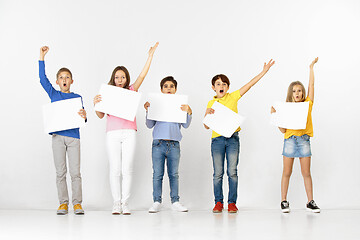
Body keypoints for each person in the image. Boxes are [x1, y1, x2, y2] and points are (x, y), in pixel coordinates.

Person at [94, 42, 159, 215]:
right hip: (112, 133)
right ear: (113, 79)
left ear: (126, 79)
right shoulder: (107, 92)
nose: (120, 80)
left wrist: (150, 57)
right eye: (117, 77)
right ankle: (116, 203)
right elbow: (100, 115)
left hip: (129, 132)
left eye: (122, 77)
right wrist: (96, 104)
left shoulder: (131, 90)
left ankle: (125, 203)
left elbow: (142, 76)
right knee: (115, 168)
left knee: (127, 168)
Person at [204, 59, 275, 213]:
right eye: (218, 84)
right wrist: (206, 114)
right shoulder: (211, 102)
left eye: (224, 84)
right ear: (213, 87)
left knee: (232, 172)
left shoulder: (233, 97)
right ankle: (218, 202)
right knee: (217, 173)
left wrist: (263, 72)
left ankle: (231, 203)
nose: (221, 86)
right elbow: (206, 125)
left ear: (228, 87)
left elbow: (249, 84)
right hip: (217, 140)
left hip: (232, 139)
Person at [39, 46, 87, 215]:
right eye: (61, 77)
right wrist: (42, 57)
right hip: (58, 137)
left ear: (71, 81)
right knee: (60, 172)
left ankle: (77, 204)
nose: (64, 79)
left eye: (67, 77)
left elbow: (83, 117)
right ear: (58, 81)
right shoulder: (54, 94)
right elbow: (42, 79)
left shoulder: (77, 97)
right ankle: (63, 203)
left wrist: (85, 115)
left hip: (74, 138)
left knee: (75, 172)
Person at [271, 57, 320, 213]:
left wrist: (311, 68)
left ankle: (310, 201)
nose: (297, 93)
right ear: (290, 94)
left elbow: (311, 85)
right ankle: (284, 201)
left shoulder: (307, 105)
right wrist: (276, 116)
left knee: (306, 173)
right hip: (290, 141)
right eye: (294, 91)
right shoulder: (286, 108)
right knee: (287, 172)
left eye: (299, 90)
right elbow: (283, 130)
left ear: (303, 92)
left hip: (304, 141)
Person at [144, 76, 192, 213]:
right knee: (157, 174)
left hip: (174, 144)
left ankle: (175, 201)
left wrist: (189, 112)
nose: (169, 88)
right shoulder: (156, 105)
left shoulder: (180, 105)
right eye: (166, 86)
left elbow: (186, 124)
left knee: (174, 174)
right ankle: (157, 201)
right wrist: (148, 110)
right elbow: (149, 125)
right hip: (158, 144)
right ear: (161, 90)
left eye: (171, 86)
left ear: (175, 89)